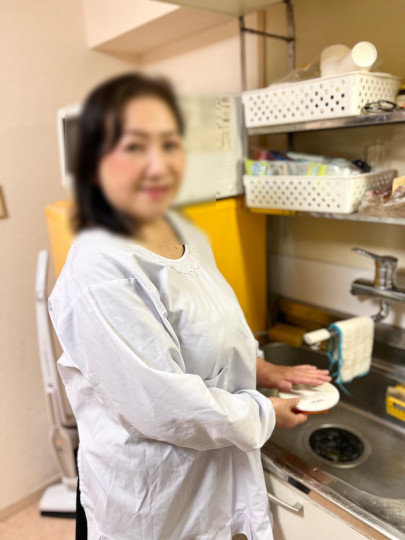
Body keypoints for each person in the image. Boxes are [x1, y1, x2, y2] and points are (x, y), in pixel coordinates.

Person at [48, 72, 331, 540]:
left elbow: (209, 336)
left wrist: (263, 370)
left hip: (206, 481)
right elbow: (163, 405)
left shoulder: (182, 235)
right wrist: (267, 412)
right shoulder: (100, 267)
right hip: (152, 500)